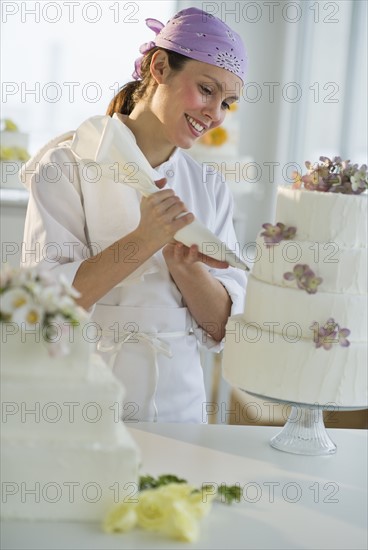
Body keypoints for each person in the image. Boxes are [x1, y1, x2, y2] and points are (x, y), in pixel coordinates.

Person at [22, 7, 248, 423]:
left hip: (179, 408)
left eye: (227, 103)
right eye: (206, 89)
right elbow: (44, 310)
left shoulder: (210, 187)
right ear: (160, 67)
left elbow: (221, 330)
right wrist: (146, 238)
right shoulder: (67, 165)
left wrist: (188, 270)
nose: (215, 113)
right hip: (85, 402)